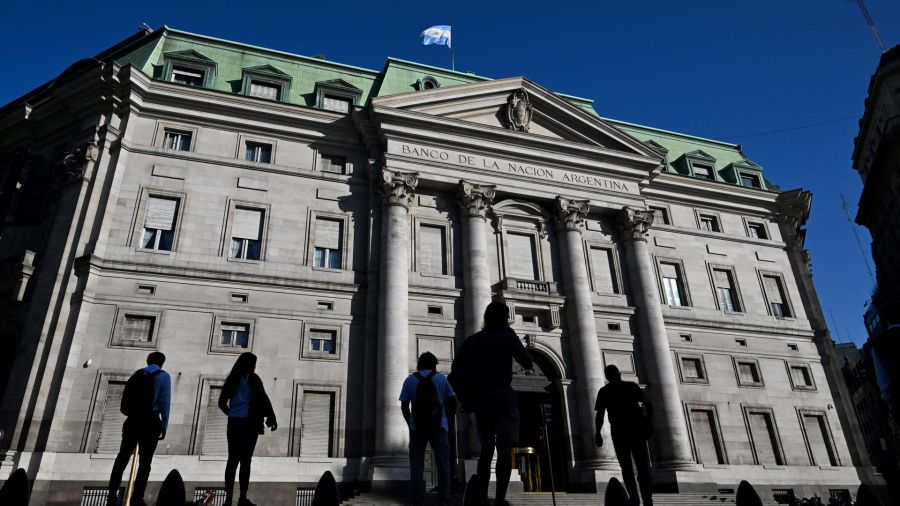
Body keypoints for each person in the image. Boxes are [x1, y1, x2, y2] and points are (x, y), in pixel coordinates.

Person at [451, 301, 533, 506]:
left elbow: (454, 375)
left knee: (486, 452)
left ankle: (481, 498)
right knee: (505, 452)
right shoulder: (507, 338)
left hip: (482, 402)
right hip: (504, 400)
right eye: (506, 317)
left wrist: (466, 400)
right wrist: (513, 336)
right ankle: (499, 499)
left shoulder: (472, 341)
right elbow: (527, 362)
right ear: (503, 319)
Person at [107, 351, 171, 506]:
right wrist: (164, 425)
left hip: (132, 421)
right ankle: (137, 497)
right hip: (150, 423)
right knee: (145, 463)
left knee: (122, 458)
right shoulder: (163, 376)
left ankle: (111, 494)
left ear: (148, 361)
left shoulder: (136, 374)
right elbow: (165, 402)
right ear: (162, 363)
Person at [218, 352, 277, 506]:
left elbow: (221, 403)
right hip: (249, 424)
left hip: (234, 423)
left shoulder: (232, 379)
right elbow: (263, 398)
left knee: (232, 460)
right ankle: (242, 498)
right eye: (254, 363)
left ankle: (228, 499)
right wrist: (272, 417)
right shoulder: (253, 378)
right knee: (245, 461)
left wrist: (231, 414)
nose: (255, 366)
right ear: (250, 364)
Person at [400, 352, 457, 506]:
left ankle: (418, 499)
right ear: (434, 364)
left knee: (417, 463)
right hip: (439, 426)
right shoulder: (441, 379)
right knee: (444, 462)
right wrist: (449, 422)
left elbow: (404, 405)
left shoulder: (410, 380)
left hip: (417, 428)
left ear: (419, 364)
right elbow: (452, 401)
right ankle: (444, 498)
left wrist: (410, 422)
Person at [595, 365, 654, 506]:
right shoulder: (631, 386)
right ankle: (648, 501)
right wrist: (648, 421)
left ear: (607, 377)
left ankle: (634, 499)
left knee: (626, 469)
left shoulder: (604, 391)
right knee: (642, 468)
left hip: (619, 433)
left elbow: (600, 414)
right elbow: (648, 403)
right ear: (619, 374)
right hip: (636, 431)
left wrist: (597, 433)